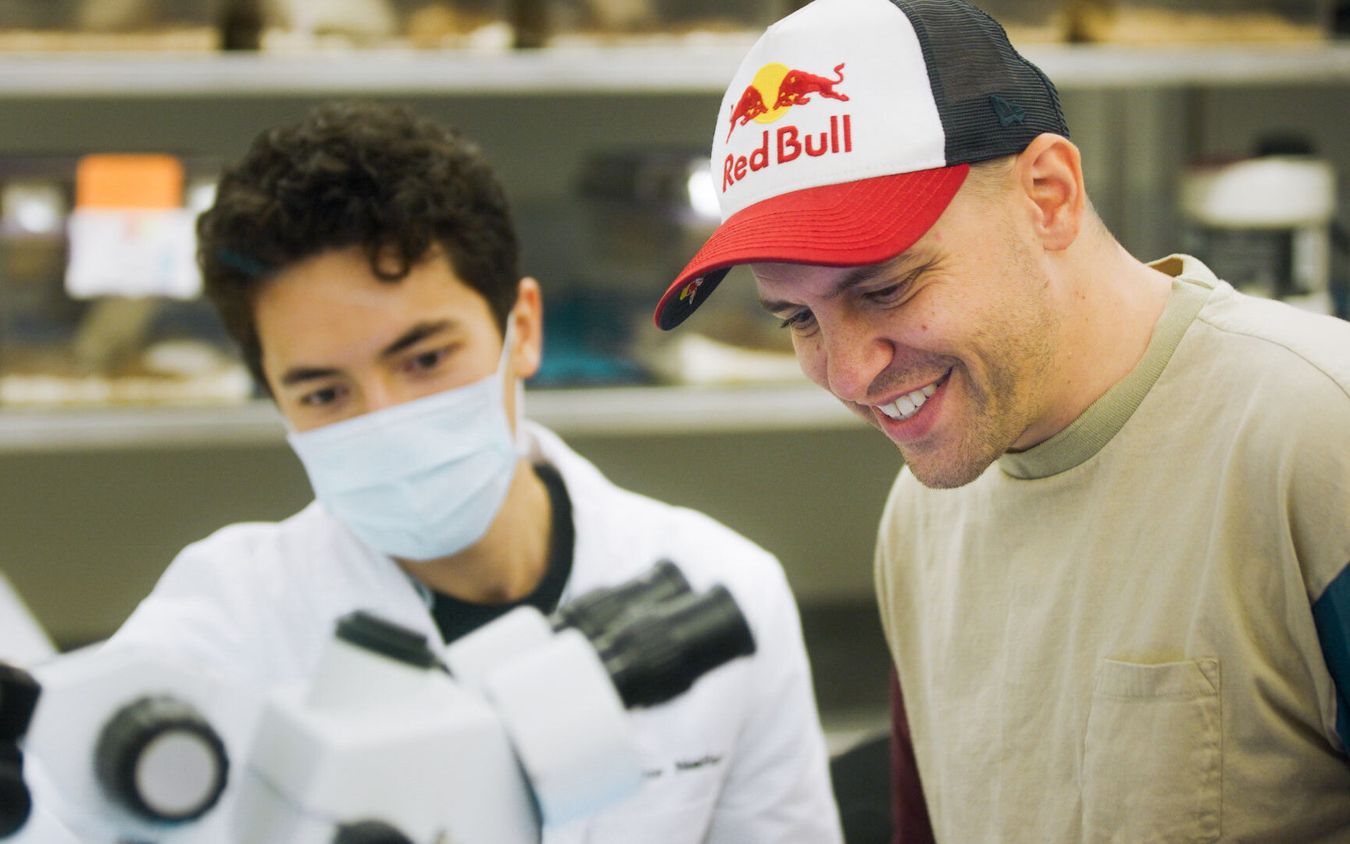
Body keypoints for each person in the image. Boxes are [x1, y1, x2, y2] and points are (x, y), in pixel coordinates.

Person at [653, 0, 1350, 840]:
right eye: (796, 319)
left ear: (1047, 196)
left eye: (886, 289)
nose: (847, 374)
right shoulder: (921, 516)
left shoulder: (1316, 435)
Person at [90, 101, 841, 843]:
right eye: (324, 392)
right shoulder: (222, 623)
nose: (383, 420)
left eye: (425, 359)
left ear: (522, 331)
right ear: (277, 399)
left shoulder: (724, 586)